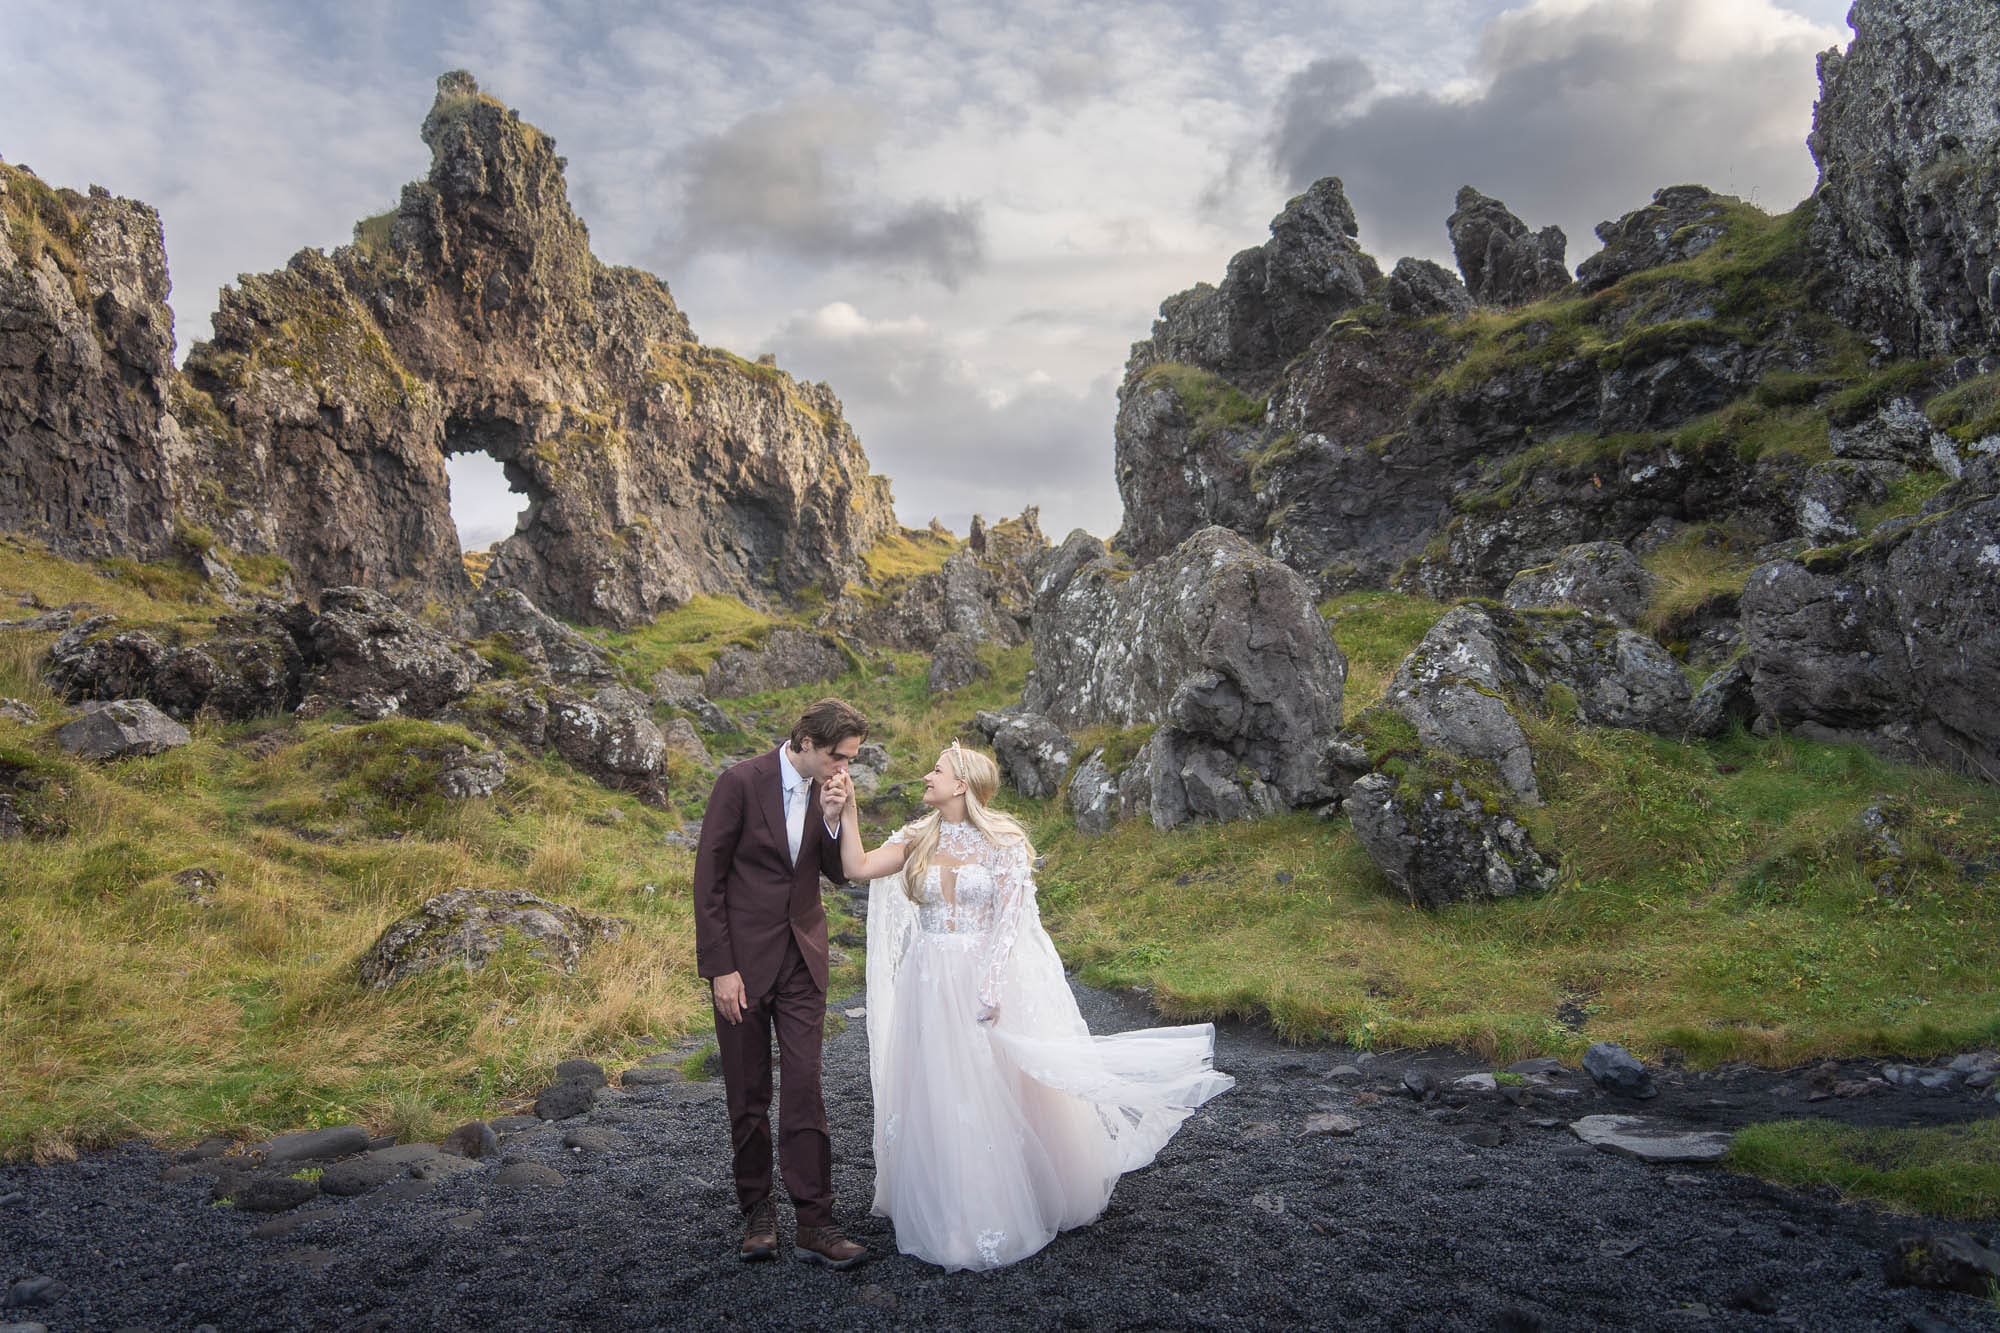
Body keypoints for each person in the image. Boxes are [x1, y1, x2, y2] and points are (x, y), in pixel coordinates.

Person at [824, 742, 1233, 1272]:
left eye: (937, 770)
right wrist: (849, 809)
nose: (926, 775)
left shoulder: (1004, 841)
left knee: (993, 1086)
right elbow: (856, 868)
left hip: (979, 977)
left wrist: (989, 990)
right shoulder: (917, 837)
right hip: (925, 980)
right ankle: (949, 1201)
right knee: (938, 1085)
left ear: (961, 784)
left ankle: (1012, 1196)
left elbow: (1009, 920)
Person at [692, 697, 870, 1268]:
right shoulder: (739, 783)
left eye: (851, 761)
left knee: (805, 1088)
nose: (844, 769)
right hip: (740, 966)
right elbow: (708, 880)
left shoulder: (831, 792)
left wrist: (835, 818)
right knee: (747, 1093)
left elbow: (837, 875)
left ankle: (815, 1222)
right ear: (808, 743)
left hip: (802, 960)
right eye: (838, 758)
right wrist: (720, 967)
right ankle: (758, 1213)